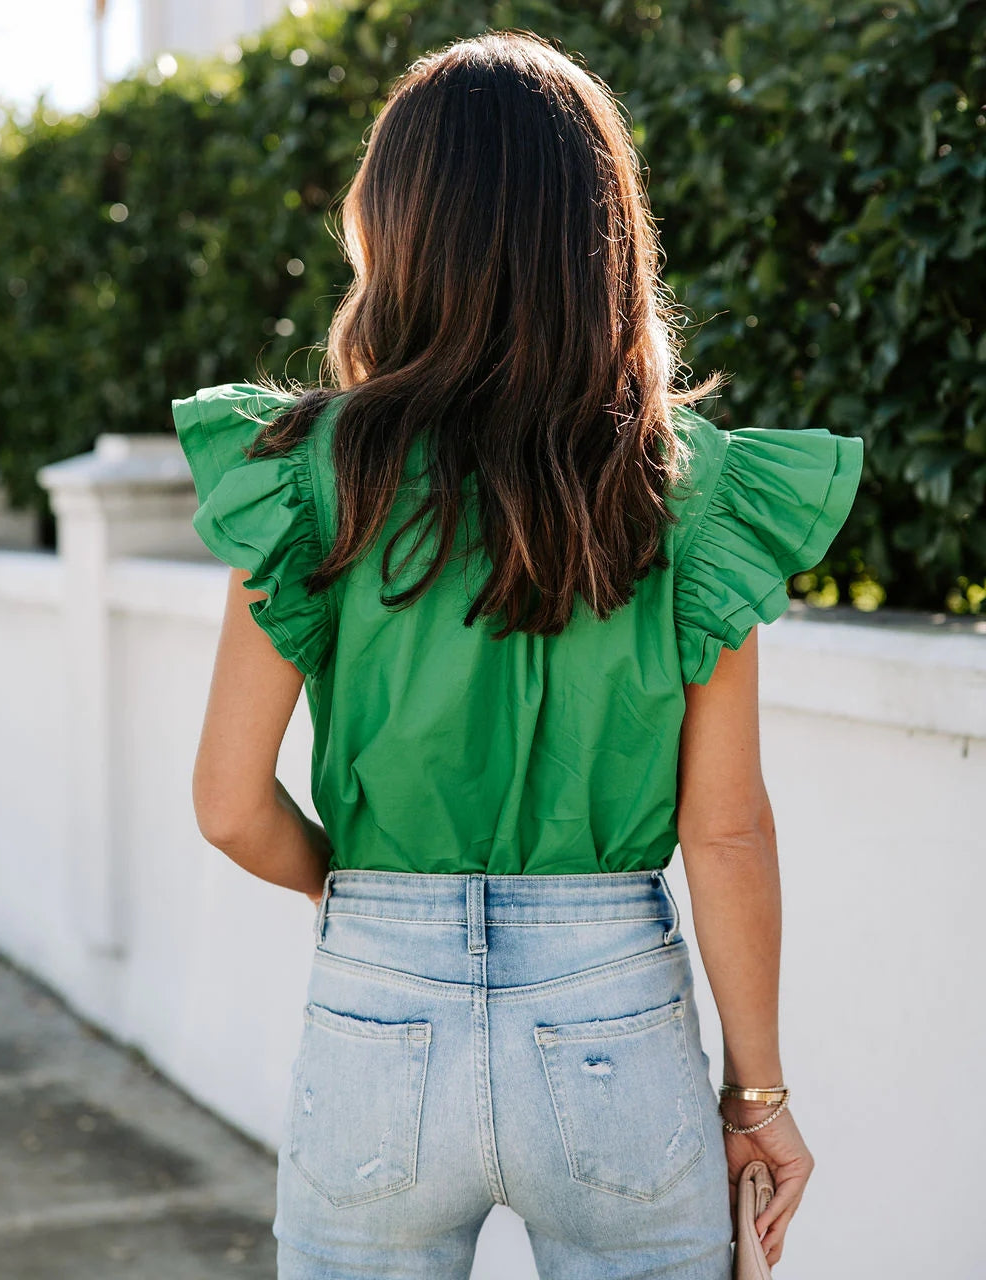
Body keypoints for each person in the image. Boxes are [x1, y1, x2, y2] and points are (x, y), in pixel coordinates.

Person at [172, 28, 860, 1280]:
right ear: (601, 235)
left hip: (376, 987)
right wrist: (756, 1095)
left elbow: (227, 804)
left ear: (394, 230)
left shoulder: (313, 474)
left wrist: (362, 895)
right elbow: (726, 829)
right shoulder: (677, 486)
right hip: (613, 1004)